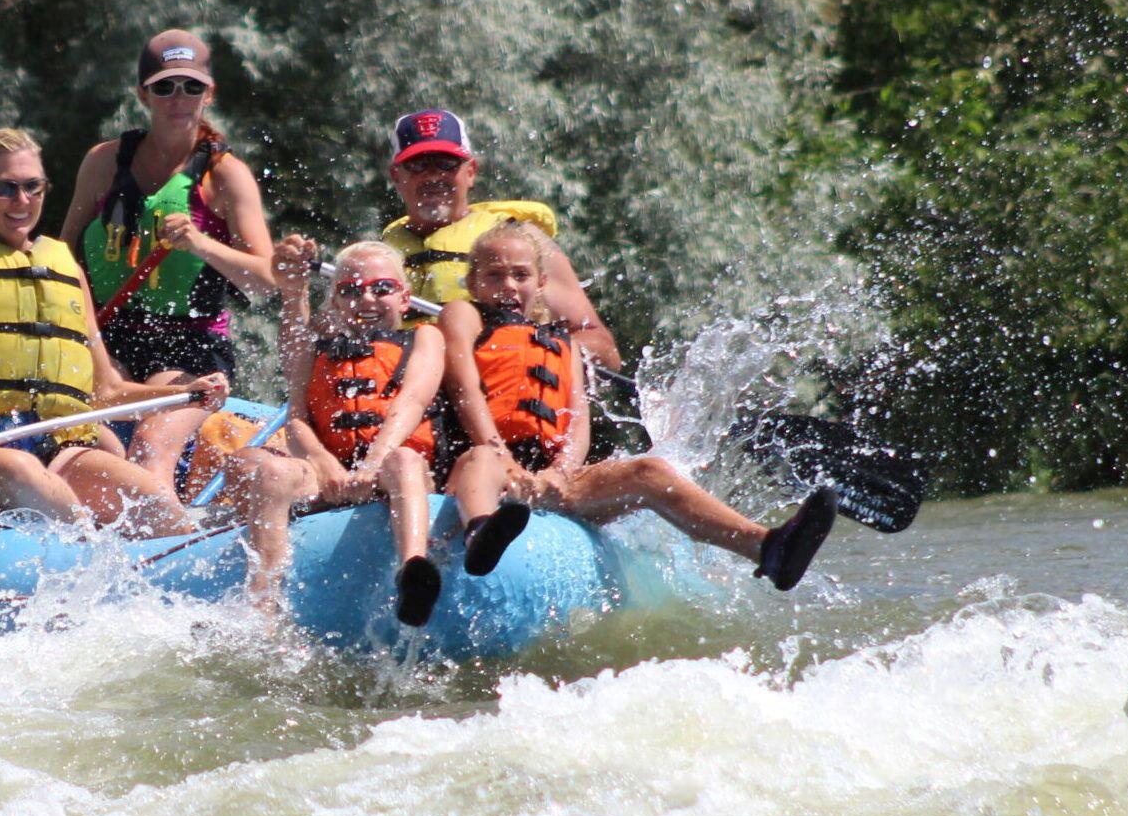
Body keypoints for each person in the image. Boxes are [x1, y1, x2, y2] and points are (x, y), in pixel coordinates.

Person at [440, 222, 836, 588]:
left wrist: (562, 471)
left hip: (547, 481)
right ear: (474, 282)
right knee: (481, 459)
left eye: (520, 275)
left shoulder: (564, 344)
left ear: (541, 282)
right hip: (485, 466)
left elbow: (577, 421)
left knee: (649, 471)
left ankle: (767, 547)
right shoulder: (464, 314)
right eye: (494, 275)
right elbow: (464, 388)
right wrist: (500, 454)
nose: (508, 285)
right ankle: (480, 533)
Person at [0, 128, 227, 533]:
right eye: (5, 188)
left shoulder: (68, 271)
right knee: (23, 471)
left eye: (32, 187)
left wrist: (189, 394)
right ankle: (88, 564)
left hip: (57, 450)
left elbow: (107, 391)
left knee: (153, 505)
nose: (21, 201)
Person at [60, 29, 275, 487]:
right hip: (106, 340)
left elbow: (264, 281)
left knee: (149, 447)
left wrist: (201, 244)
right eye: (165, 86)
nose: (179, 98)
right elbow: (63, 255)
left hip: (189, 347)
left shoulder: (225, 176)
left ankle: (162, 537)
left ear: (209, 94)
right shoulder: (103, 162)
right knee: (89, 444)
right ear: (144, 94)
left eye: (191, 86)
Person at [222, 237, 444, 624]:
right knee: (275, 472)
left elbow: (412, 402)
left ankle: (413, 570)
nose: (368, 299)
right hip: (328, 477)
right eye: (350, 291)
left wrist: (372, 464)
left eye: (382, 288)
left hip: (393, 472)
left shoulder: (426, 337)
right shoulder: (318, 347)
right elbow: (297, 419)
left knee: (405, 459)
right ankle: (263, 607)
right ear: (336, 302)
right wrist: (325, 464)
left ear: (405, 298)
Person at [381, 109, 621, 369]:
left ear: (470, 171)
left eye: (446, 163)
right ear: (396, 176)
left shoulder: (522, 242)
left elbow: (603, 349)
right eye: (418, 165)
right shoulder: (379, 257)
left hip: (501, 388)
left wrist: (534, 350)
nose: (433, 176)